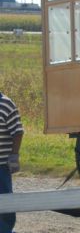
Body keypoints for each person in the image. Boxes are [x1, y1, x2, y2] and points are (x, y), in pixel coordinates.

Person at [0, 92, 23, 233]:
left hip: (1, 166)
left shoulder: (6, 104)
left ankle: (6, 230)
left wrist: (14, 155)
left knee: (6, 203)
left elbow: (18, 132)